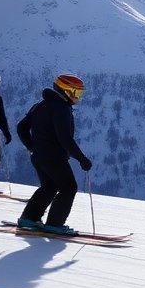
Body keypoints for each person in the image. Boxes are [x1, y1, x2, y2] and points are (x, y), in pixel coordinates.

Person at [16, 74, 91, 234]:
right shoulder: (61, 108)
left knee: (49, 186)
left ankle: (29, 219)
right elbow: (64, 138)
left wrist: (31, 147)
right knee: (69, 187)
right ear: (66, 91)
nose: (78, 97)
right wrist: (82, 159)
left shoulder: (40, 105)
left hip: (38, 156)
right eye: (76, 93)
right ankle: (55, 224)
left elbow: (21, 127)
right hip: (54, 157)